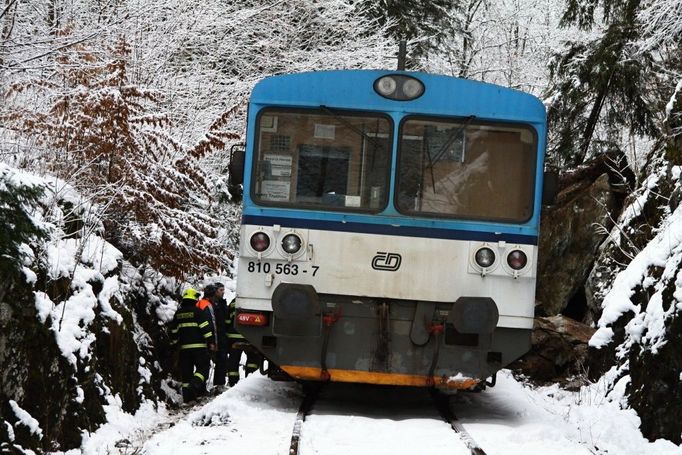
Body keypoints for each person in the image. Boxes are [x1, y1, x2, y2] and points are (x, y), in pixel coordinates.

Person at [169, 288, 215, 403]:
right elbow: (206, 329)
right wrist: (211, 342)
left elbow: (173, 331)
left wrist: (174, 344)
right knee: (203, 368)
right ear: (194, 299)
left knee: (186, 374)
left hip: (184, 349)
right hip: (199, 348)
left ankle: (188, 399)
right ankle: (194, 385)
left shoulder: (178, 314)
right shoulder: (198, 312)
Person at [225, 297, 262, 386]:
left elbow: (227, 320)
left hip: (234, 338)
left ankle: (233, 382)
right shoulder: (256, 301)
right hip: (249, 338)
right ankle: (249, 381)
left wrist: (226, 335)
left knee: (233, 360)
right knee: (253, 359)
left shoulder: (233, 302)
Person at [212, 282, 230, 391]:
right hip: (216, 335)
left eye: (223, 290)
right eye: (221, 290)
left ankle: (219, 383)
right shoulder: (213, 304)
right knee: (219, 359)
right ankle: (218, 383)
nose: (223, 292)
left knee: (222, 360)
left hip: (223, 335)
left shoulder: (223, 303)